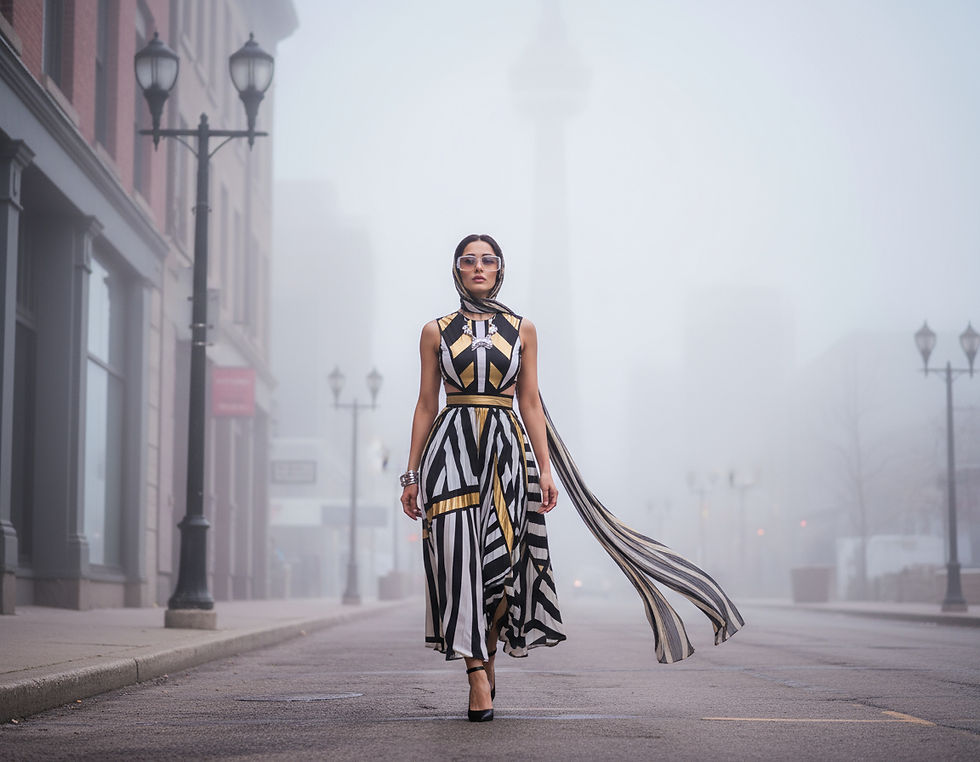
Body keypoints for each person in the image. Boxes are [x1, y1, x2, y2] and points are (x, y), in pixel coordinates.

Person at [400, 234, 744, 723]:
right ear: (456, 270)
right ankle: (477, 674)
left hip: (507, 456)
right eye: (469, 261)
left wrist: (544, 468)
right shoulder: (435, 331)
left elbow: (531, 402)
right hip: (451, 452)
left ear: (500, 270)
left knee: (501, 571)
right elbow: (425, 403)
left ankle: (488, 655)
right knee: (458, 565)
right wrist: (411, 474)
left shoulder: (522, 330)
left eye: (489, 260)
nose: (479, 267)